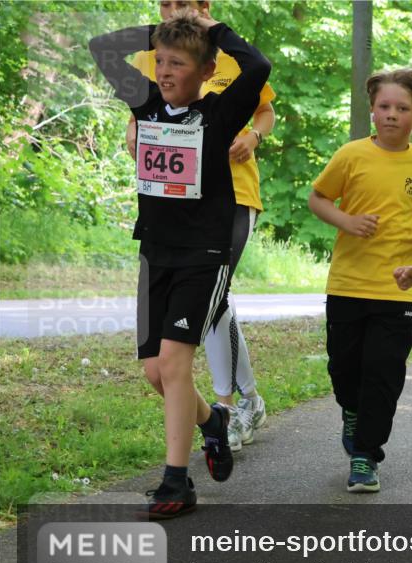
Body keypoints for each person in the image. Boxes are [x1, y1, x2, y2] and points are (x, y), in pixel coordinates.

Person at [90, 10, 271, 518]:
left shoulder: (219, 112)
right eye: (160, 62)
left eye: (178, 64)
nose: (165, 72)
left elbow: (257, 65)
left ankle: (176, 481)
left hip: (204, 255)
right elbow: (103, 46)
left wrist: (210, 31)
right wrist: (163, 34)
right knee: (156, 372)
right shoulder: (146, 104)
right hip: (156, 253)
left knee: (174, 365)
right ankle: (213, 422)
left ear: (207, 71)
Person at [127, 0, 274, 452]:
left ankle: (229, 404)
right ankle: (227, 411)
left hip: (229, 200)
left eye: (183, 3)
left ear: (205, 7)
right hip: (165, 221)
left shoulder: (227, 57)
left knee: (215, 300)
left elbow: (262, 101)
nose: (173, 10)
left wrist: (253, 135)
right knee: (182, 341)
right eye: (165, 3)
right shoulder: (158, 56)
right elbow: (136, 102)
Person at [308, 68, 412, 493]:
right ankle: (351, 411)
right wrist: (346, 220)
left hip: (397, 287)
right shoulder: (351, 155)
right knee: (344, 368)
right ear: (372, 110)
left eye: (402, 108)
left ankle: (366, 456)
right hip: (347, 282)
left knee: (383, 374)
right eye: (384, 106)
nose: (391, 115)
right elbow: (318, 198)